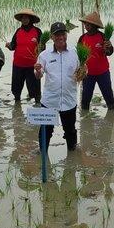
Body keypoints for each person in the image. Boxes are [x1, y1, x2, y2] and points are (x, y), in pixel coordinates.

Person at [35, 22, 80, 151]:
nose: (61, 37)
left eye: (63, 34)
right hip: (50, 101)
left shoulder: (74, 53)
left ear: (66, 35)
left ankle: (72, 154)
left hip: (69, 100)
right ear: (51, 37)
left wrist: (84, 71)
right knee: (45, 130)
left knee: (70, 129)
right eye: (57, 35)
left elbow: (80, 72)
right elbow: (39, 76)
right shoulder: (44, 55)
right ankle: (43, 153)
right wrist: (38, 71)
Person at [77, 11, 114, 111]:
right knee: (86, 97)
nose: (86, 26)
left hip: (103, 72)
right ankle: (84, 117)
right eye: (85, 24)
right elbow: (79, 56)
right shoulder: (82, 38)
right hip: (88, 74)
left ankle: (111, 113)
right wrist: (80, 68)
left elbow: (109, 52)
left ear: (94, 25)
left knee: (108, 94)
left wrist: (108, 47)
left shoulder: (103, 37)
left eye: (88, 24)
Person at [6, 9, 42, 103]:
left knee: (35, 89)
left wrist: (39, 46)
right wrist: (8, 45)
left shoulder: (37, 31)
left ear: (31, 19)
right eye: (23, 17)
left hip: (32, 65)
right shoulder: (18, 31)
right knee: (16, 88)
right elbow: (13, 46)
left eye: (27, 17)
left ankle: (37, 106)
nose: (24, 19)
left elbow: (43, 48)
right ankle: (17, 105)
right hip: (18, 65)